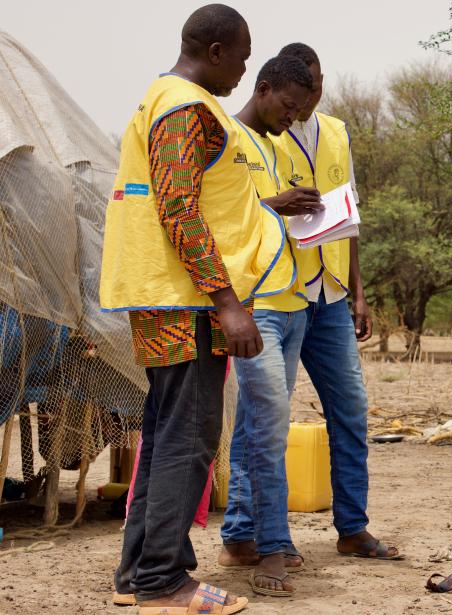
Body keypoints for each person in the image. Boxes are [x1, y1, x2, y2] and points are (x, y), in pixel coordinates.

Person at [100, 4, 294, 612]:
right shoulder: (184, 106)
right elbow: (178, 208)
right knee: (189, 436)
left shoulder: (168, 100)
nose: (243, 67)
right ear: (215, 52)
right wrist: (227, 302)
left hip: (173, 294)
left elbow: (204, 198)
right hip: (186, 299)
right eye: (241, 55)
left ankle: (139, 573)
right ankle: (164, 580)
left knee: (164, 433)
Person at [275, 42, 400, 560]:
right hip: (280, 294)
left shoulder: (337, 132)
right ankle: (254, 536)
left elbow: (349, 217)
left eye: (320, 82)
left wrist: (360, 293)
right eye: (306, 83)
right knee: (267, 419)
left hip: (331, 296)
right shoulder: (262, 131)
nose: (314, 92)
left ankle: (353, 528)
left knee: (350, 411)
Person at [217, 55, 323, 598]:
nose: (293, 117)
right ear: (262, 90)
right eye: (287, 106)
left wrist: (306, 210)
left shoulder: (282, 146)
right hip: (252, 303)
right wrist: (274, 204)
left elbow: (269, 219)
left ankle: (238, 534)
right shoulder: (227, 138)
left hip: (292, 301)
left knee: (258, 424)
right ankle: (274, 544)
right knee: (272, 426)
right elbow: (216, 217)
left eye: (301, 110)